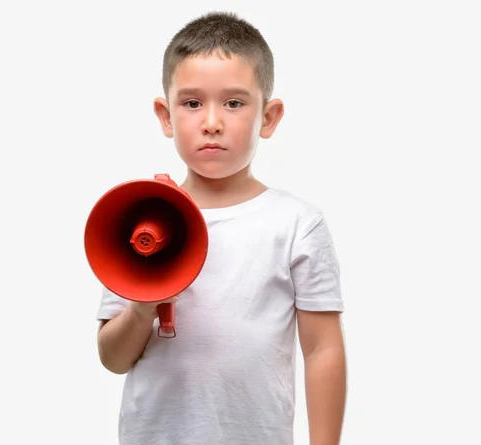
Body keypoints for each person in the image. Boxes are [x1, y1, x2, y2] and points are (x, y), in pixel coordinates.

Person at [96, 11, 347, 445]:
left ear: (268, 118)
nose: (212, 121)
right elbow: (113, 359)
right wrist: (142, 308)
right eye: (192, 103)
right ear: (166, 115)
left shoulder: (296, 224)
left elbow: (322, 349)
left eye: (233, 102)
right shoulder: (137, 214)